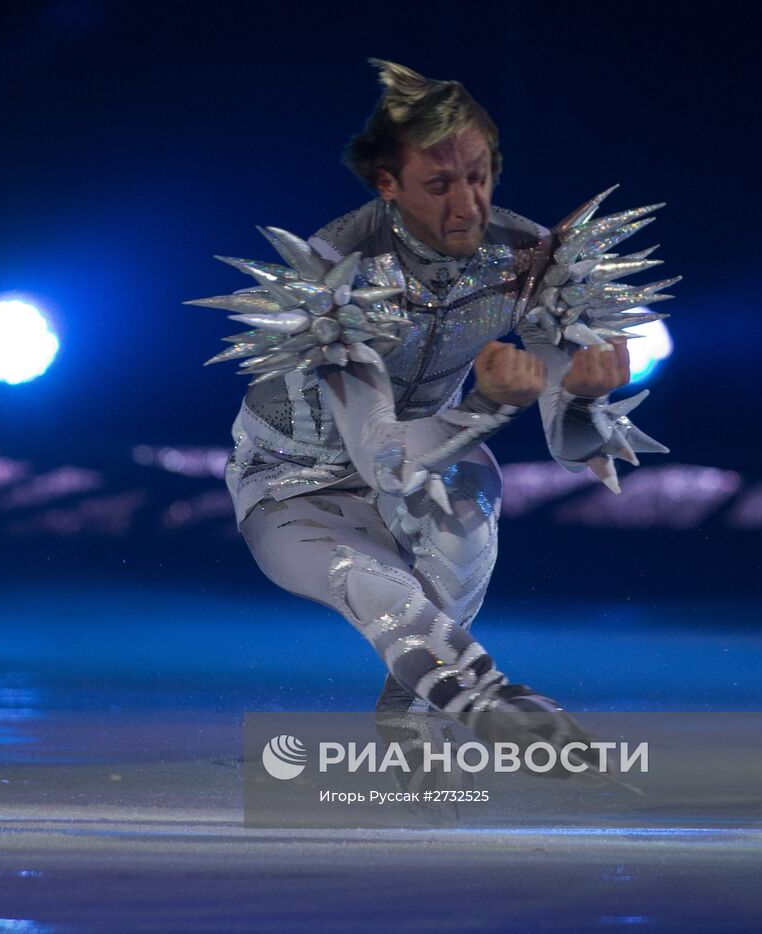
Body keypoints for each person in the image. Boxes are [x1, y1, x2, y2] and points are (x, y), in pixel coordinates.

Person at [189, 60, 675, 768]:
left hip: (436, 456)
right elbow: (380, 461)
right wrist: (482, 405)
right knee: (369, 582)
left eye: (479, 176)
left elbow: (575, 448)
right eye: (439, 185)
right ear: (387, 185)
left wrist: (587, 397)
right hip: (297, 482)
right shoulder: (337, 277)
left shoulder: (532, 263)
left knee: (470, 500)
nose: (467, 206)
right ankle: (483, 698)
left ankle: (413, 710)